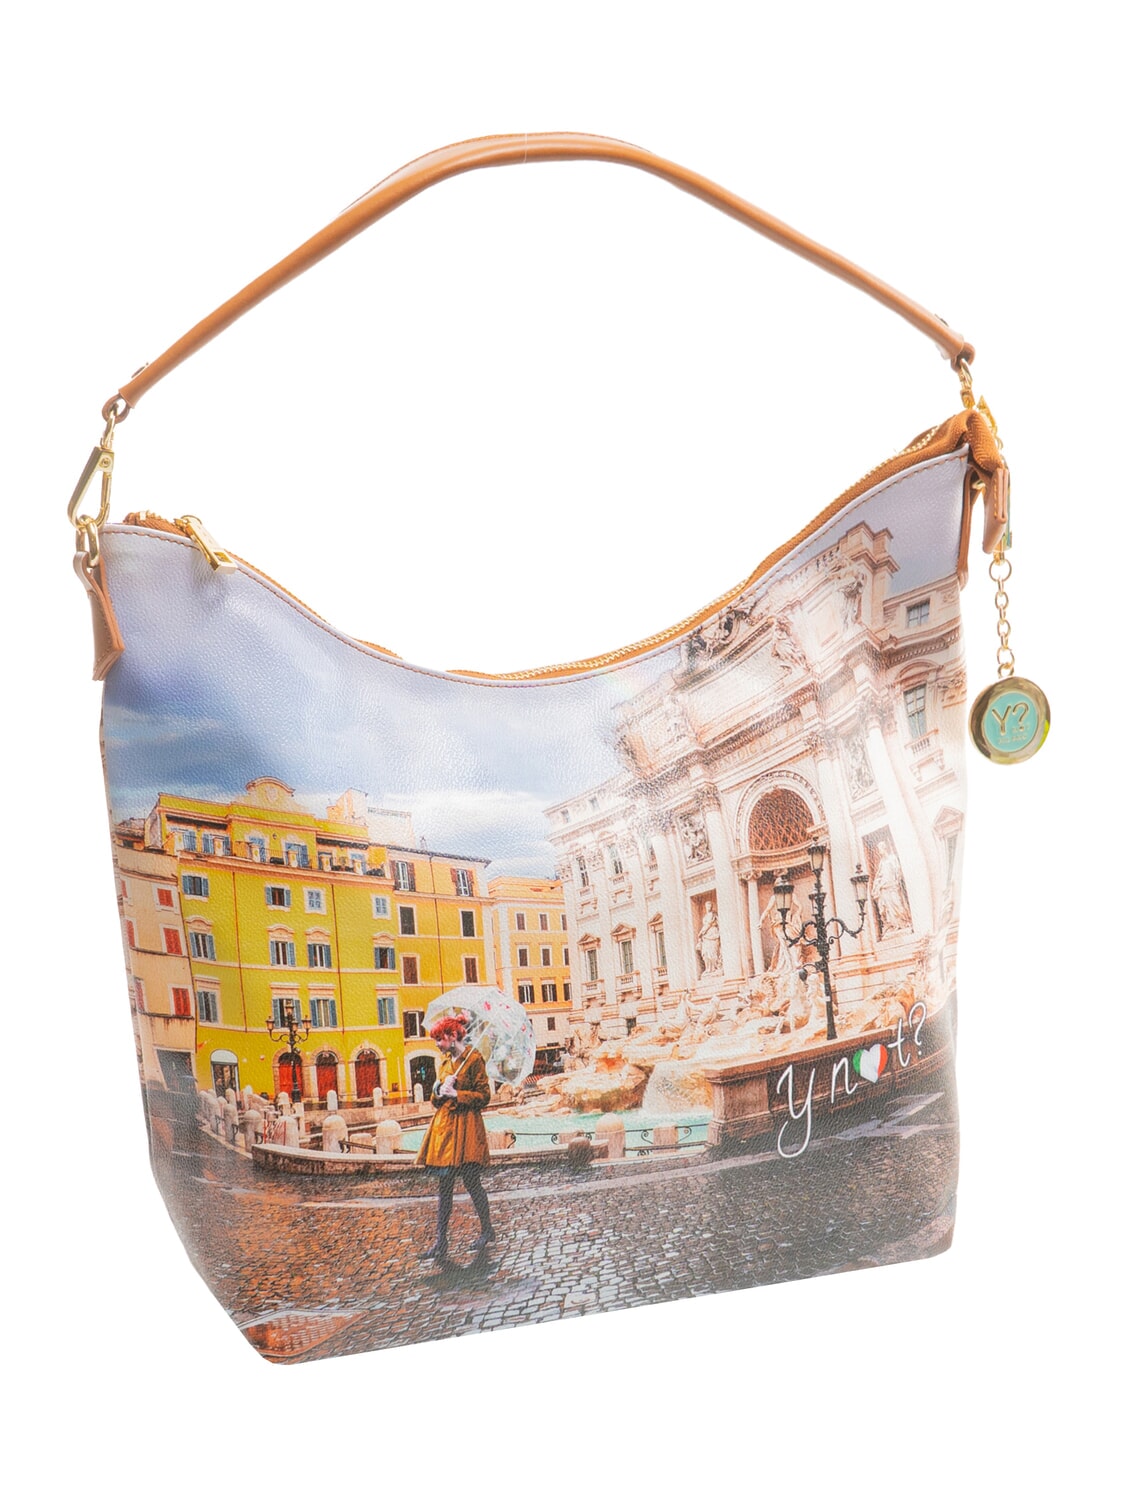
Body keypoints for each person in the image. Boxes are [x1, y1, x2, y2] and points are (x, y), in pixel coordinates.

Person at [416, 1012, 494, 1261]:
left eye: (439, 1039)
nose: (437, 1045)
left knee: (472, 1183)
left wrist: (457, 1095)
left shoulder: (474, 1059)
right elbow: (434, 1099)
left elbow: (484, 1096)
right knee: (444, 1187)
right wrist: (440, 1089)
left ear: (452, 1036)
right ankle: (441, 1241)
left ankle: (487, 1230)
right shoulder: (445, 1063)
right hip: (445, 1133)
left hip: (467, 1130)